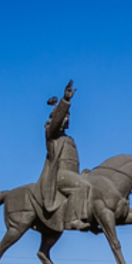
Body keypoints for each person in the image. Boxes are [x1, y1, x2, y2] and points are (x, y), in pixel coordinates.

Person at [37, 80, 91, 230]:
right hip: (58, 176)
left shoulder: (69, 139)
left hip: (71, 174)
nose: (67, 119)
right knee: (80, 186)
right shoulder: (52, 135)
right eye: (64, 116)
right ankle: (72, 220)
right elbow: (55, 123)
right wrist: (65, 101)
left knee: (90, 183)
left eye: (68, 116)